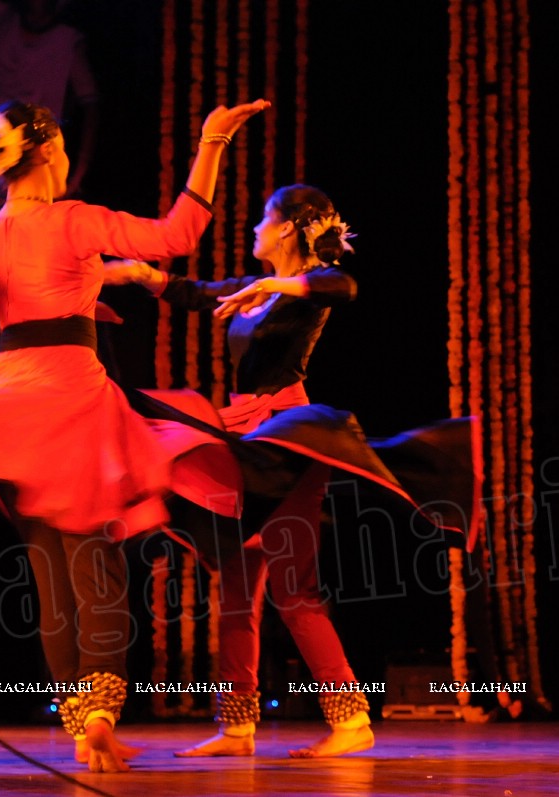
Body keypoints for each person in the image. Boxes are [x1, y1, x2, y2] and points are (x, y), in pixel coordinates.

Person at [0, 98, 270, 772]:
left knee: (49, 573)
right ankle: (96, 715)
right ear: (49, 153)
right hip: (71, 396)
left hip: (10, 398)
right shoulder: (75, 219)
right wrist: (209, 144)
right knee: (94, 563)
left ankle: (78, 722)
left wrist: (82, 279)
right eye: (63, 146)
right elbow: (178, 233)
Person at [108, 184, 480, 758]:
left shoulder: (304, 289)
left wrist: (277, 283)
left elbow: (345, 285)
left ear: (287, 229)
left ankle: (351, 718)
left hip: (291, 440)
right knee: (235, 585)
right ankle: (237, 725)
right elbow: (193, 292)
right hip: (244, 435)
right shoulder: (252, 291)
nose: (255, 228)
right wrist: (140, 275)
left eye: (263, 219)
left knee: (294, 589)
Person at [0, 0, 102, 381]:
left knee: (39, 260)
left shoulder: (66, 40)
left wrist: (77, 171)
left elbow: (91, 103)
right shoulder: (1, 21)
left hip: (43, 171)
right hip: (1, 172)